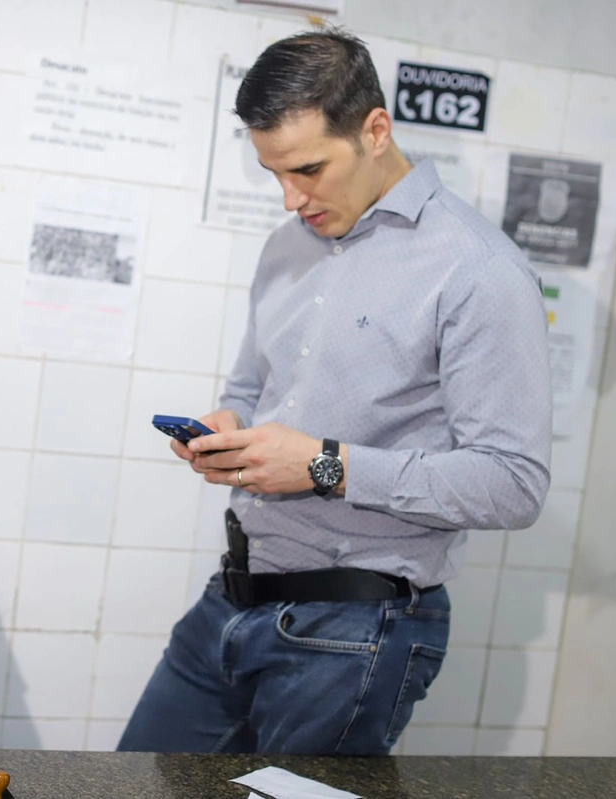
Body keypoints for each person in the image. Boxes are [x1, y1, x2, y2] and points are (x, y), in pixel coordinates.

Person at [117, 29, 551, 755]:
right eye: (273, 172)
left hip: (355, 630)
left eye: (309, 169)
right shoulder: (286, 245)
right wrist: (230, 427)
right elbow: (253, 390)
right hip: (231, 599)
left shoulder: (481, 271)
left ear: (375, 129)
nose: (291, 198)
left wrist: (325, 463)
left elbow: (514, 483)